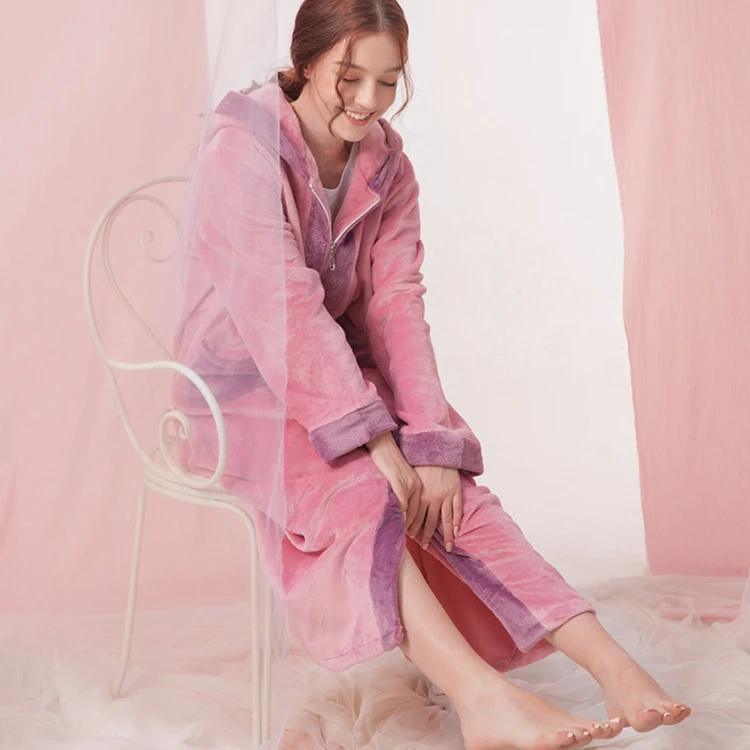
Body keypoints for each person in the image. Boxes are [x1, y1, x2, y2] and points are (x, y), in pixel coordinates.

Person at [173, 0, 691, 747]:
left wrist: (429, 440)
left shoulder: (387, 165)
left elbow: (396, 305)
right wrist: (373, 439)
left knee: (451, 496)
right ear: (306, 60)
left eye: (388, 82)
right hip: (237, 391)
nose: (368, 101)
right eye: (350, 77)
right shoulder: (242, 148)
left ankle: (611, 663)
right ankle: (482, 698)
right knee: (363, 488)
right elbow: (280, 308)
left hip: (336, 377)